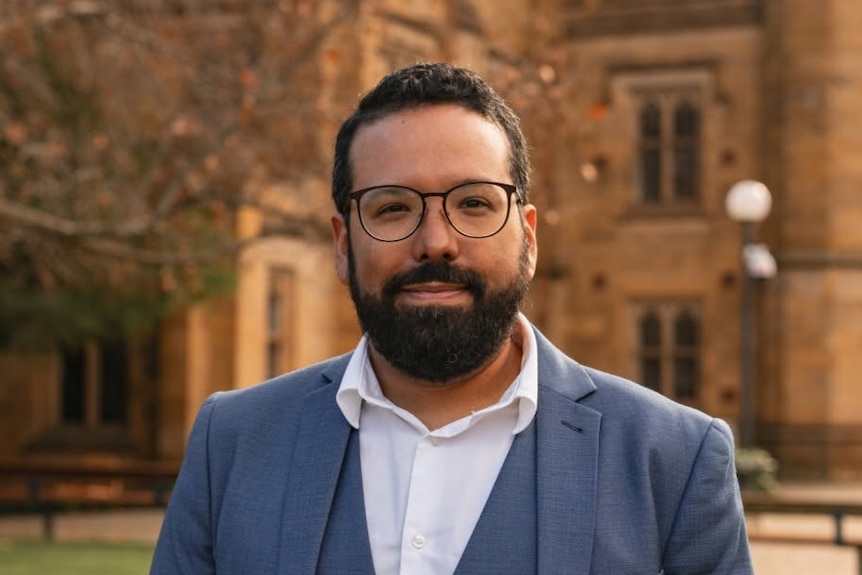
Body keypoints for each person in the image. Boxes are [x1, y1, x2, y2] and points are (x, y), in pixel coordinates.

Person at [150, 62, 753, 575]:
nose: (436, 241)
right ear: (342, 245)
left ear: (529, 238)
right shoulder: (230, 443)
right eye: (392, 208)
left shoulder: (673, 460)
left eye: (473, 203)